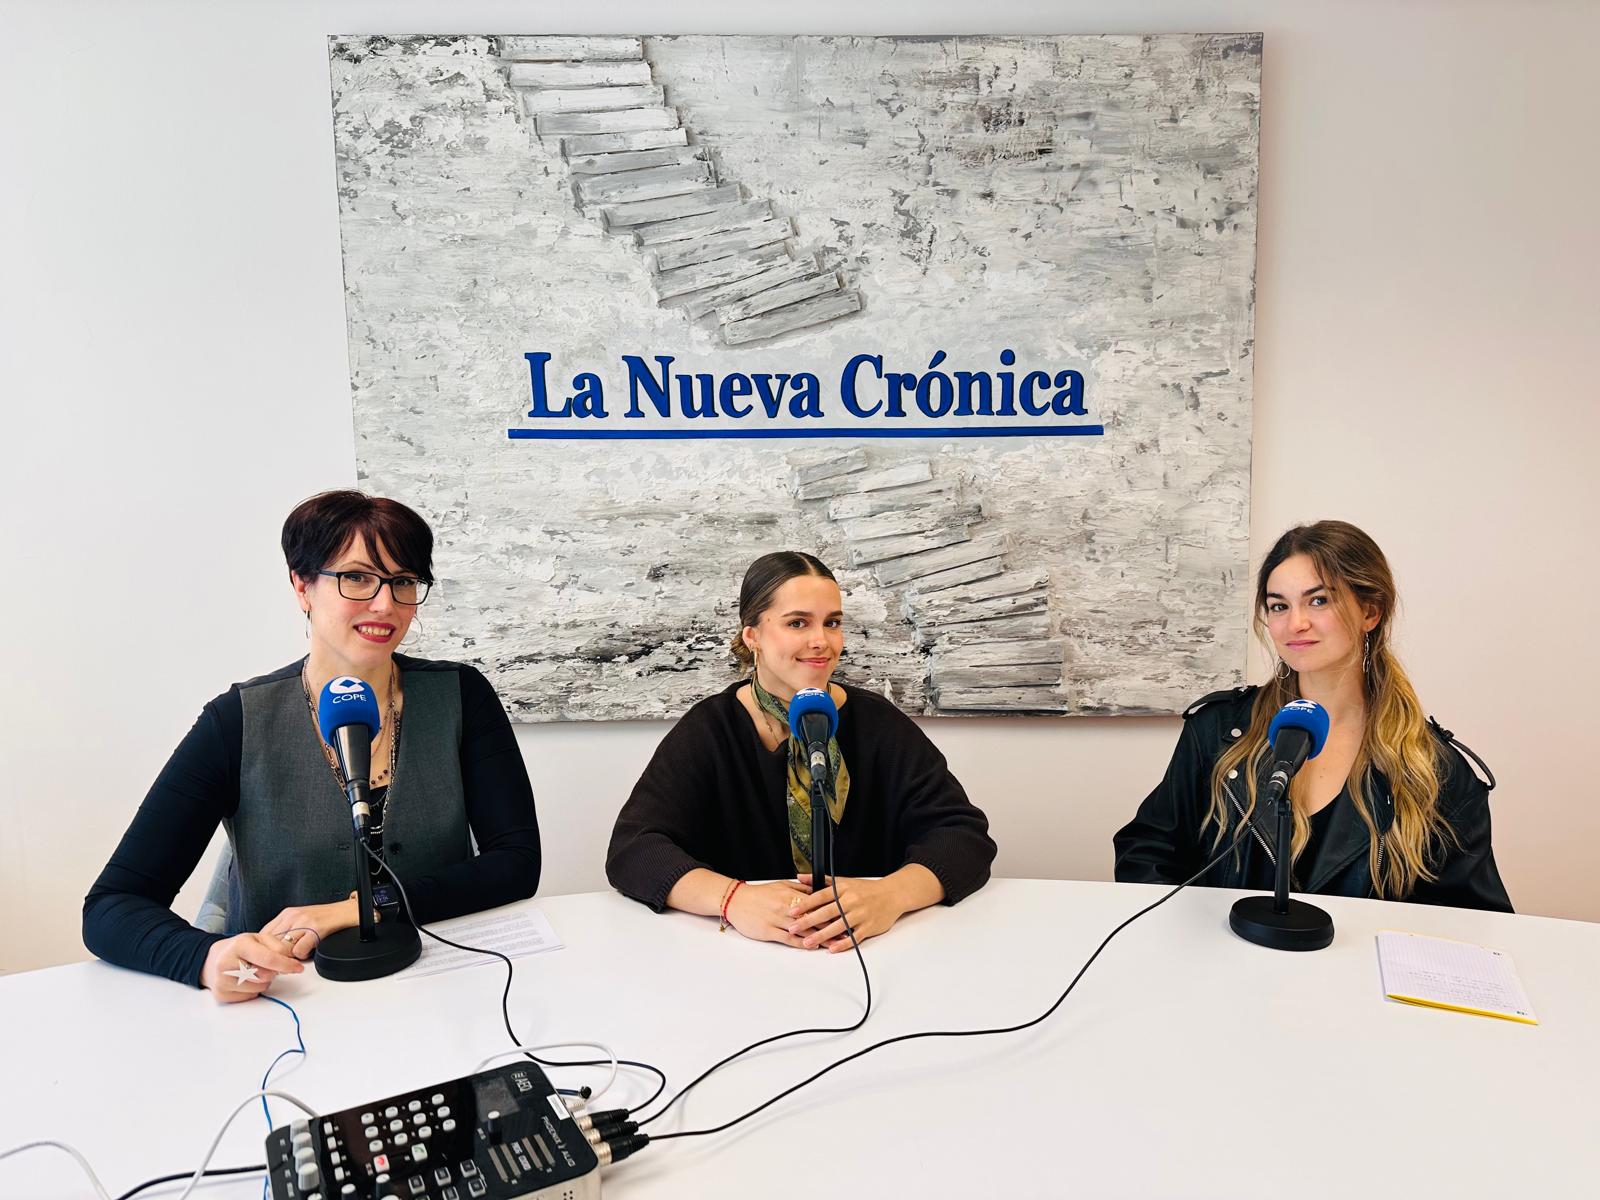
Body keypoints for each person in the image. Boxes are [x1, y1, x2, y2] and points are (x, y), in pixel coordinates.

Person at [83, 490, 541, 1000]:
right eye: (358, 578)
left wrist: (359, 907)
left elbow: (516, 861)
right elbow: (112, 906)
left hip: (442, 985)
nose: (385, 603)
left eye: (404, 581)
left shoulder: (461, 695)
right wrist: (206, 958)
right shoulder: (234, 721)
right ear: (302, 585)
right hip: (290, 998)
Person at [606, 550, 996, 951]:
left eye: (833, 623)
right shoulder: (710, 729)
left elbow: (963, 838)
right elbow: (634, 849)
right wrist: (732, 899)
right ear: (752, 635)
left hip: (870, 952)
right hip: (740, 956)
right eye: (797, 623)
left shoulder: (880, 725)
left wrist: (889, 896)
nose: (821, 641)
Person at [1114, 520, 1511, 911]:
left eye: (1318, 600)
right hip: (1230, 969)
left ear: (1370, 612)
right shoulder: (1218, 731)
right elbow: (1147, 852)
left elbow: (1472, 920)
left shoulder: (1435, 768)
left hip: (1357, 976)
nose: (1295, 623)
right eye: (1279, 606)